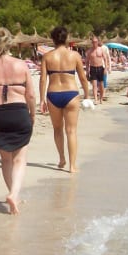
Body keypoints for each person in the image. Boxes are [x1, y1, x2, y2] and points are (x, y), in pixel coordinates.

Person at [0, 27, 36, 215]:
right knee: (20, 159)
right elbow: (31, 95)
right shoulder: (21, 65)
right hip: (18, 112)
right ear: (10, 43)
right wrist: (32, 115)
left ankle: (14, 195)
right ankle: (14, 193)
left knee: (6, 159)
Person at [39, 26, 90, 172]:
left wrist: (42, 100)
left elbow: (43, 79)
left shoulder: (47, 56)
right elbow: (83, 78)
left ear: (53, 39)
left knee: (57, 129)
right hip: (71, 94)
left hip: (53, 94)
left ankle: (61, 158)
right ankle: (72, 166)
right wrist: (87, 95)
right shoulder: (74, 56)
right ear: (66, 38)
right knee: (71, 131)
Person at [85, 36, 111, 104]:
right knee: (94, 85)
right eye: (93, 42)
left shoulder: (101, 49)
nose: (94, 43)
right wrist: (87, 71)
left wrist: (106, 68)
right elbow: (87, 62)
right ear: (92, 42)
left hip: (100, 68)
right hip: (93, 68)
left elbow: (105, 59)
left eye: (96, 42)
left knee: (101, 85)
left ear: (97, 42)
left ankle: (101, 98)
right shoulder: (89, 51)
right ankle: (96, 99)